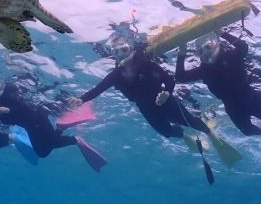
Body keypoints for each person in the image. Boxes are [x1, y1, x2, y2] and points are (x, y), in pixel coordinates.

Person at [70, 40, 242, 169]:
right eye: (116, 51)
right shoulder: (116, 75)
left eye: (124, 49)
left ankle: (211, 134)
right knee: (166, 132)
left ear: (131, 50)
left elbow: (169, 80)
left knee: (189, 120)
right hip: (146, 108)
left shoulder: (148, 65)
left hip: (166, 102)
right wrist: (82, 99)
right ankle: (185, 136)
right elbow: (99, 88)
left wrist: (166, 93)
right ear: (114, 56)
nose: (120, 54)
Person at [175, 30, 261, 147]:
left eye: (208, 47)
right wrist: (182, 53)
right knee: (247, 131)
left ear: (215, 46)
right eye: (200, 52)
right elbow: (180, 77)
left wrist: (221, 33)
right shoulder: (203, 70)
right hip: (232, 106)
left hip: (250, 97)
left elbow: (243, 46)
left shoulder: (231, 56)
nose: (205, 52)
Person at [0, 80, 107, 172]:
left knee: (46, 148)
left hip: (37, 119)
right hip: (30, 126)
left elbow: (24, 105)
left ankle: (76, 140)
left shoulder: (9, 95)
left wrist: (9, 110)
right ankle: (61, 129)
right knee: (42, 151)